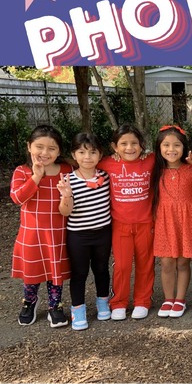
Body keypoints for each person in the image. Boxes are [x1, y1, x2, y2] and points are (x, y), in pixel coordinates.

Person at [10, 125, 72, 327]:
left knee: (56, 271)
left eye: (52, 148)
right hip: (32, 234)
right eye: (39, 147)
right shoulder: (22, 171)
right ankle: (30, 301)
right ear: (29, 147)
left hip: (57, 233)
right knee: (32, 269)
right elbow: (18, 198)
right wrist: (36, 176)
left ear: (59, 151)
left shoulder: (66, 170)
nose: (45, 153)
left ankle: (55, 305)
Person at [97, 124, 156, 321]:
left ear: (142, 146)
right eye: (123, 144)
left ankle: (142, 300)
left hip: (145, 223)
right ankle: (119, 302)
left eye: (134, 143)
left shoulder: (150, 161)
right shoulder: (106, 163)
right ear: (114, 147)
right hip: (120, 224)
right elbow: (82, 162)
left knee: (145, 263)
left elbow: (172, 155)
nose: (129, 148)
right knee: (122, 265)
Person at [56, 133, 111, 330]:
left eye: (93, 152)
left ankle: (103, 303)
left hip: (103, 232)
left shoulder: (105, 176)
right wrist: (66, 195)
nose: (87, 157)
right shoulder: (68, 180)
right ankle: (78, 309)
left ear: (100, 154)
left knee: (102, 269)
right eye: (82, 152)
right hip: (78, 235)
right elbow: (65, 211)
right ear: (74, 154)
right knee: (79, 273)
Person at [152, 125, 192, 318]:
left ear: (184, 147)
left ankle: (180, 299)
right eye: (166, 145)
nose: (171, 149)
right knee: (167, 262)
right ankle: (168, 299)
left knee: (183, 263)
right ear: (159, 147)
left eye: (177, 145)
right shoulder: (155, 170)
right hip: (164, 222)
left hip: (186, 222)